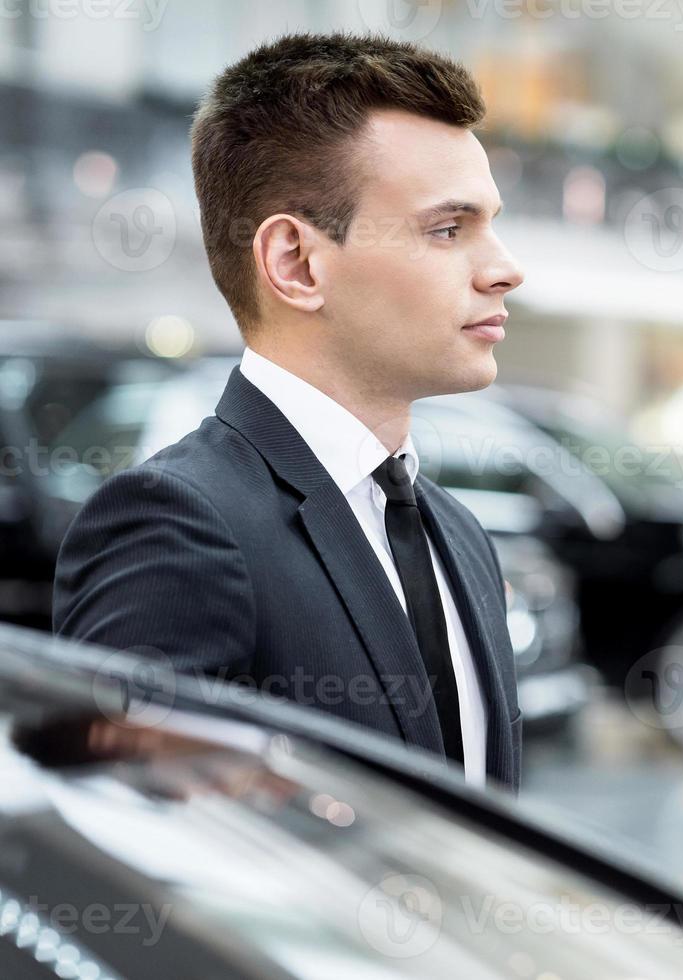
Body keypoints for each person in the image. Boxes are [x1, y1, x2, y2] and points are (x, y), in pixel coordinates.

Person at [53, 33, 526, 790]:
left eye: (491, 222)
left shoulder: (461, 536)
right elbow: (121, 864)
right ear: (296, 264)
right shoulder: (176, 524)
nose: (505, 269)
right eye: (448, 228)